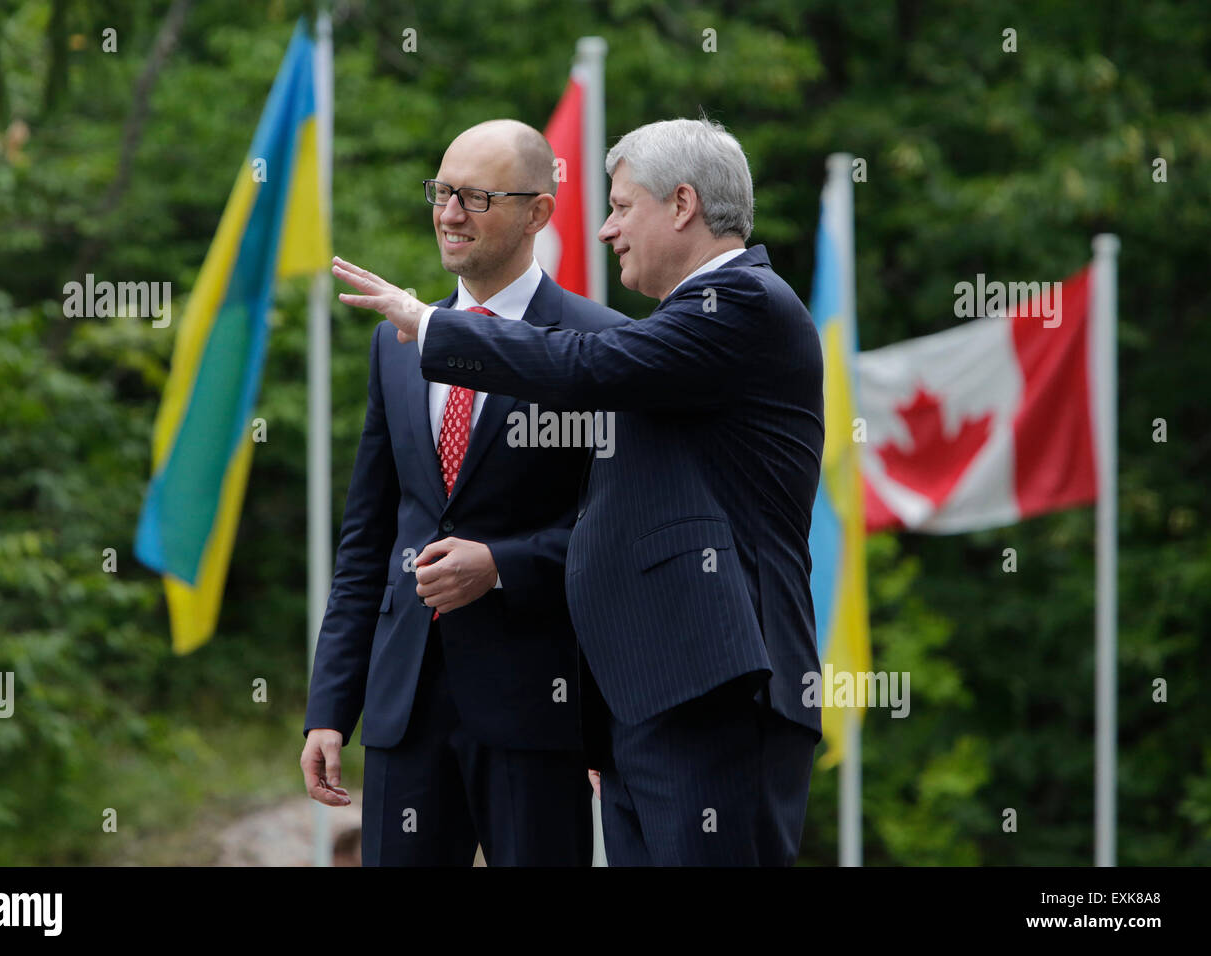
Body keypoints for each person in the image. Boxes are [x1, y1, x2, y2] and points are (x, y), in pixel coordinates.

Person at [332, 117, 825, 866]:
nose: (604, 229)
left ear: (683, 204)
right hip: (652, 703)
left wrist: (430, 325)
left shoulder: (740, 304)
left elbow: (587, 364)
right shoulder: (689, 324)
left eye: (622, 207)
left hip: (714, 694)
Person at [301, 119, 626, 866]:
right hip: (404, 706)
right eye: (441, 192)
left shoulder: (596, 343)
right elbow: (368, 534)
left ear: (538, 212)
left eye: (474, 197)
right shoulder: (396, 340)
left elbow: (613, 532)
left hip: (535, 709)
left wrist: (503, 562)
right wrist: (330, 705)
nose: (449, 214)